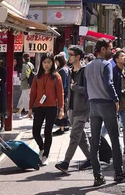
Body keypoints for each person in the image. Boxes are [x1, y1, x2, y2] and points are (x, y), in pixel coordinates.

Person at [84, 38, 125, 187]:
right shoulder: (106, 64)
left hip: (93, 105)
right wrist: (116, 99)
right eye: (110, 48)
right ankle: (118, 172)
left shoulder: (88, 66)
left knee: (95, 142)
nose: (113, 51)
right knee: (115, 139)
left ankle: (97, 176)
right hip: (106, 104)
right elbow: (109, 83)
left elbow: (86, 89)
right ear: (103, 49)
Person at [55, 46, 92, 175]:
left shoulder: (85, 71)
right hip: (71, 108)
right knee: (81, 138)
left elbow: (89, 91)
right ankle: (92, 159)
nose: (68, 56)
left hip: (82, 109)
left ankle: (66, 162)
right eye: (68, 54)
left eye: (71, 54)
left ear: (78, 57)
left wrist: (75, 88)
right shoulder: (70, 71)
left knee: (74, 136)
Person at [29, 52, 65, 165]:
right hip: (39, 107)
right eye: (44, 62)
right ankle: (42, 148)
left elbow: (60, 93)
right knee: (35, 131)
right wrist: (30, 108)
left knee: (47, 131)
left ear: (53, 63)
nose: (46, 64)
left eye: (49, 62)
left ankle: (45, 155)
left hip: (52, 107)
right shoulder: (37, 76)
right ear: (41, 63)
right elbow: (33, 93)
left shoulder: (56, 76)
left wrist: (61, 108)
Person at [53, 53, 70, 135]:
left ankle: (62, 128)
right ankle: (65, 126)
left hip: (63, 93)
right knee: (64, 110)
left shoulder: (62, 70)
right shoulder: (66, 69)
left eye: (56, 61)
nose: (55, 63)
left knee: (61, 109)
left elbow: (62, 84)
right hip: (66, 93)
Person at [16, 53, 34, 118]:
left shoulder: (25, 65)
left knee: (26, 99)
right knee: (22, 99)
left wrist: (20, 78)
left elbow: (23, 75)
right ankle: (19, 112)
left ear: (23, 58)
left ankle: (29, 113)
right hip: (30, 84)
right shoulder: (31, 64)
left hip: (25, 84)